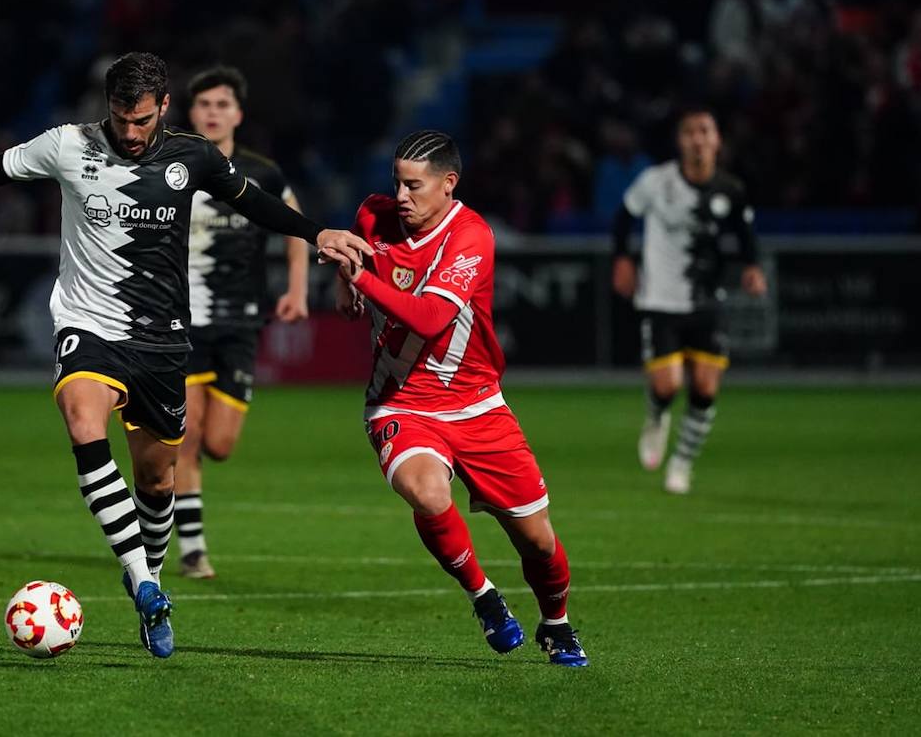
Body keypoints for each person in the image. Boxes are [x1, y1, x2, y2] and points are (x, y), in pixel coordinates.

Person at [0, 52, 371, 658]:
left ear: (164, 109)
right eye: (120, 119)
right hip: (88, 324)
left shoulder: (193, 155)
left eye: (141, 121)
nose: (128, 133)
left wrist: (318, 233)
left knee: (157, 480)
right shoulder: (67, 145)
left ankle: (142, 573)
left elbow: (252, 200)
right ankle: (148, 585)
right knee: (81, 420)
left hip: (163, 338)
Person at [325, 130, 589, 667]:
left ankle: (557, 624)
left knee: (538, 542)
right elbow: (354, 253)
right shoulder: (373, 215)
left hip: (477, 405)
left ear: (449, 184)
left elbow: (430, 317)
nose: (401, 195)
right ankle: (485, 598)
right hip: (399, 402)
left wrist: (361, 280)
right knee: (427, 493)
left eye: (415, 185)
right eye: (397, 181)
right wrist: (344, 285)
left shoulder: (470, 237)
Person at [175, 66, 308, 580]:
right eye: (204, 104)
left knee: (220, 445)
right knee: (183, 438)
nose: (212, 112)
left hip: (239, 325)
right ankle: (192, 550)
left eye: (222, 104)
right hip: (177, 322)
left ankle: (175, 510)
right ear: (191, 113)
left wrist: (296, 289)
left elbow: (295, 225)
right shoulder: (169, 166)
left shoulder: (263, 173)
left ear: (238, 114)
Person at [612, 110, 766, 494]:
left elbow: (746, 234)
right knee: (667, 386)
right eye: (690, 132)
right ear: (680, 142)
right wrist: (624, 259)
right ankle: (656, 415)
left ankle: (681, 463)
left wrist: (752, 267)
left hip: (706, 299)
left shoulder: (730, 189)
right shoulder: (655, 182)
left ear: (717, 141)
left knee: (705, 388)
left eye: (705, 131)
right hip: (660, 298)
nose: (697, 139)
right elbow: (623, 218)